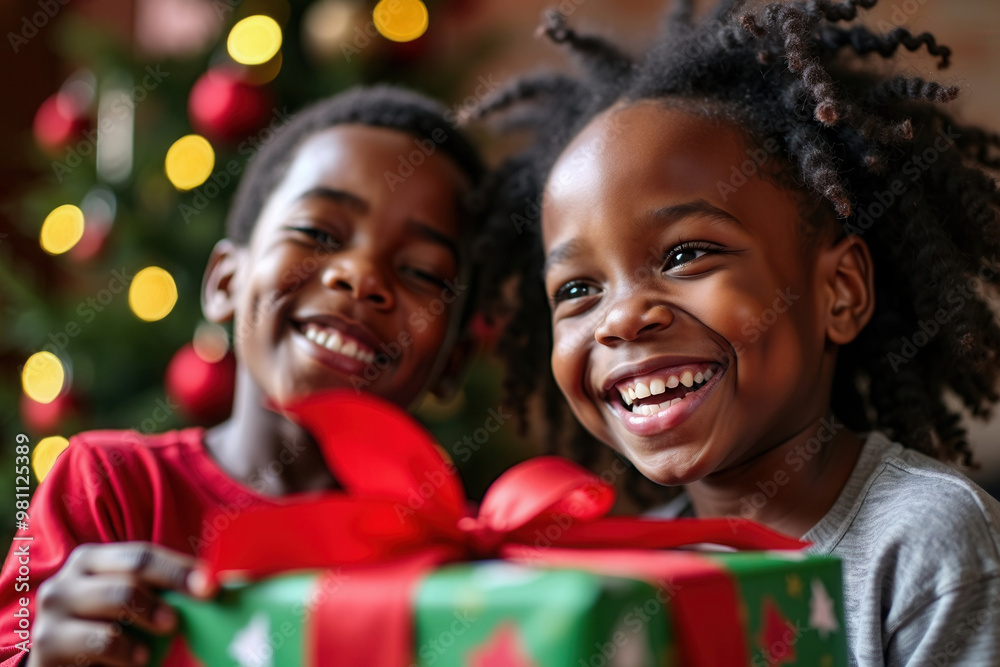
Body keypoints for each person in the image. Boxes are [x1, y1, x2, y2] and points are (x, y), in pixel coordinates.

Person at [477, 1, 1000, 664]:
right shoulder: (623, 571)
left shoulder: (926, 544)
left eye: (685, 254)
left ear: (840, 291)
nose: (620, 317)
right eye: (578, 290)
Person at [1, 84, 488, 667]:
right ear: (226, 281)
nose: (361, 276)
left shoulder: (458, 562)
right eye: (320, 234)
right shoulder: (109, 484)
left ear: (451, 362)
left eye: (419, 272)